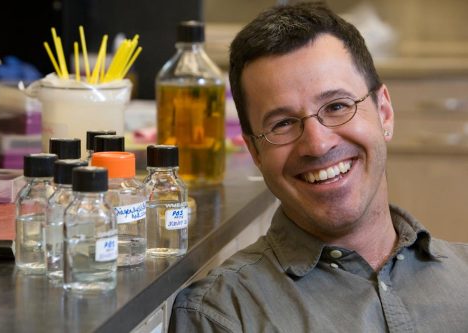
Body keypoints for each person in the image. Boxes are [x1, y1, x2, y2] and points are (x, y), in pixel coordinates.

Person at [169, 3, 468, 332]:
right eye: (282, 124)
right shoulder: (221, 314)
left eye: (337, 106)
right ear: (254, 149)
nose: (318, 144)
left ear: (384, 112)